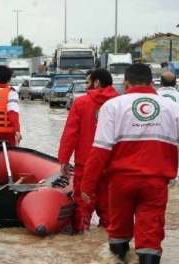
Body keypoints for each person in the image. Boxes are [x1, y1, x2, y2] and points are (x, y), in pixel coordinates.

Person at [81, 63, 179, 263]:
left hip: (120, 182)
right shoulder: (173, 107)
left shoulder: (113, 106)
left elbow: (101, 149)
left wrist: (88, 183)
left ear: (125, 83)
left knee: (118, 230)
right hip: (156, 182)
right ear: (152, 83)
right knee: (151, 236)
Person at [57, 68, 119, 235]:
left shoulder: (81, 103)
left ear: (96, 82)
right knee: (109, 209)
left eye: (87, 82)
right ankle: (106, 243)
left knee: (83, 206)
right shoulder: (120, 103)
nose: (86, 87)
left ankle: (81, 239)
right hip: (113, 165)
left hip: (85, 163)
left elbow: (71, 133)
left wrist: (63, 159)